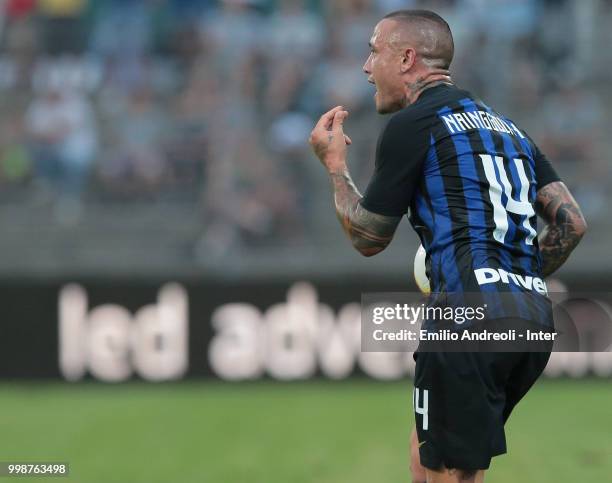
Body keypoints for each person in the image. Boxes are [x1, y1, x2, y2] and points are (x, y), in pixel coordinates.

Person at [308, 9, 587, 483]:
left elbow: (368, 236)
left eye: (374, 51)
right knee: (443, 462)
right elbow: (572, 223)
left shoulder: (414, 124)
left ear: (407, 58)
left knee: (441, 472)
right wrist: (512, 281)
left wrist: (335, 167)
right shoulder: (508, 128)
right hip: (533, 317)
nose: (365, 66)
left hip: (466, 314)